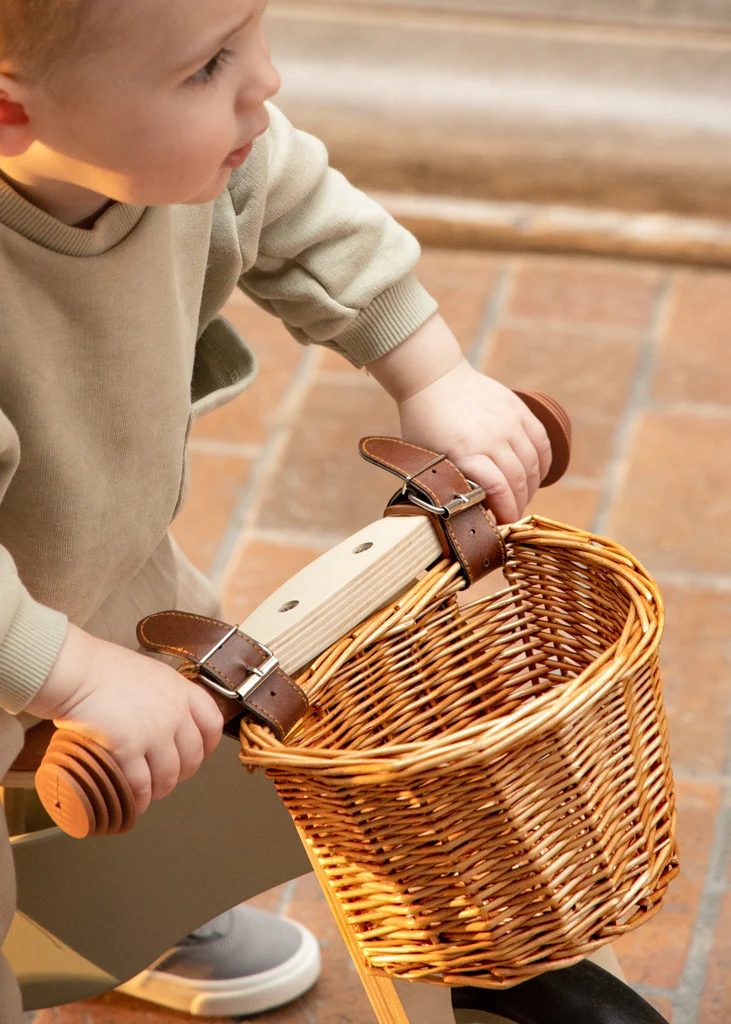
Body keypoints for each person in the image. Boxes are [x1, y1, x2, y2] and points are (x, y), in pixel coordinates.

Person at [0, 0, 553, 1019]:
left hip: (99, 555)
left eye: (252, 28)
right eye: (208, 64)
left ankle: (127, 911)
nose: (264, 80)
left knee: (178, 735)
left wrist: (430, 370)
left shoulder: (194, 150)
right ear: (11, 115)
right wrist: (69, 673)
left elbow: (300, 210)